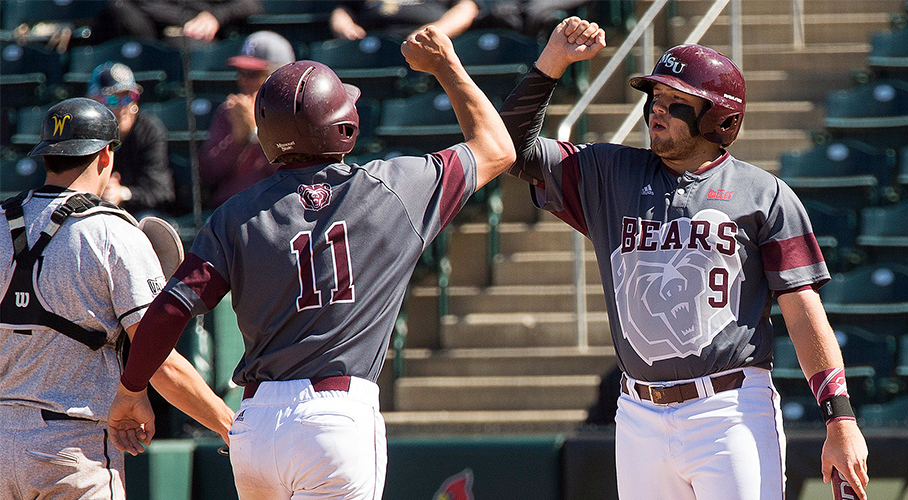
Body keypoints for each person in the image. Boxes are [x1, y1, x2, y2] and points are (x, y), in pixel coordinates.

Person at [107, 26, 515, 499]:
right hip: (335, 421)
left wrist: (132, 389)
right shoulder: (393, 187)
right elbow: (497, 148)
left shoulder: (236, 214)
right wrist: (445, 65)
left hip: (256, 426)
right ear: (345, 125)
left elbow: (169, 310)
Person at [498, 17, 869, 500]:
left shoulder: (765, 194)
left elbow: (802, 314)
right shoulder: (609, 174)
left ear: (721, 120)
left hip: (729, 410)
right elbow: (508, 149)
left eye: (677, 102)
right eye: (655, 97)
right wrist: (552, 63)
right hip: (638, 414)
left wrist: (840, 419)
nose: (658, 108)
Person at [0, 98, 233, 499]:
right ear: (106, 155)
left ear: (47, 156)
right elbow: (159, 359)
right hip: (72, 448)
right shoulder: (112, 230)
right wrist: (231, 426)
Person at [199, 31, 296, 209]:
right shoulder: (229, 111)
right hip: (228, 209)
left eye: (252, 74)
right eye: (240, 72)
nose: (243, 81)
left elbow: (293, 171)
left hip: (276, 208)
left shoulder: (293, 112)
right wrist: (238, 141)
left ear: (281, 75)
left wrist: (255, 133)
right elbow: (207, 173)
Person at [87, 62, 175, 216]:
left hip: (135, 213)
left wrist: (123, 193)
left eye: (128, 98)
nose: (123, 107)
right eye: (113, 100)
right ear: (95, 101)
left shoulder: (149, 130)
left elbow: (161, 190)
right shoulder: (85, 131)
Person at [91, 0, 263, 43]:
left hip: (195, 35)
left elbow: (252, 5)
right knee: (117, 10)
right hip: (150, 34)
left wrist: (216, 16)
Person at [330, 0, 480, 40]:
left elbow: (466, 8)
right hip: (372, 43)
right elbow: (343, 9)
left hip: (424, 43)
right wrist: (345, 26)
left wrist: (432, 32)